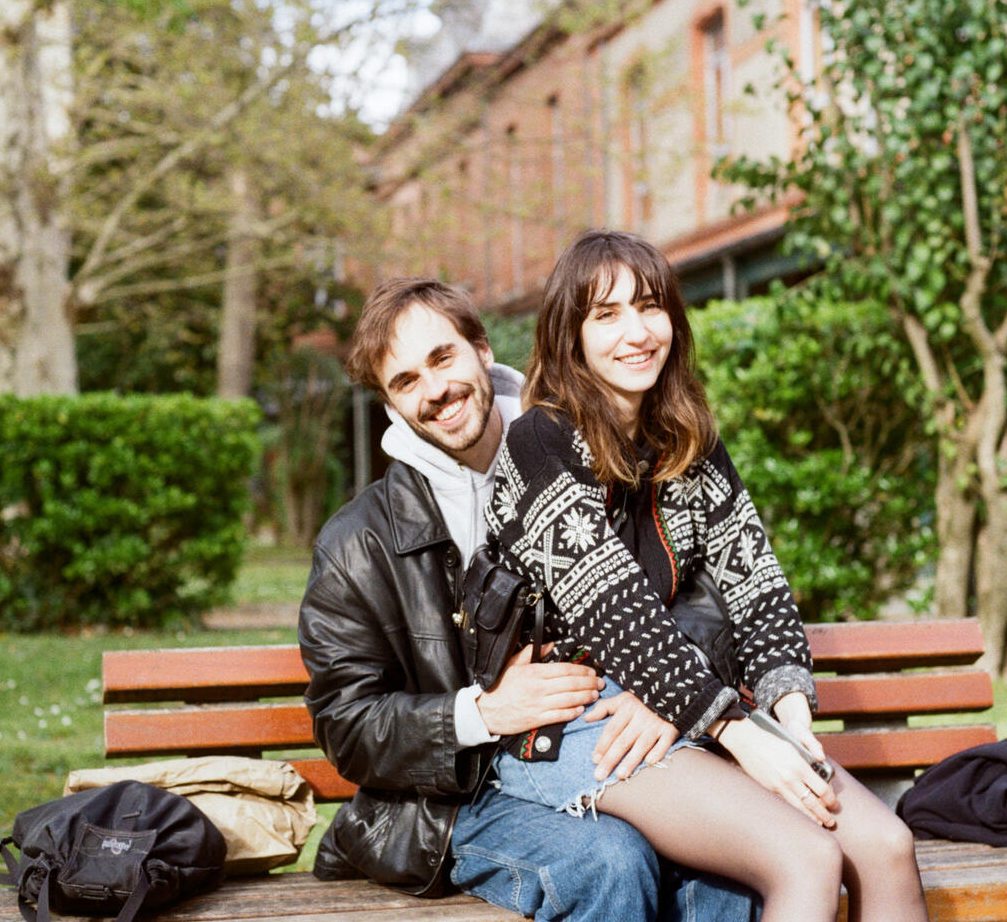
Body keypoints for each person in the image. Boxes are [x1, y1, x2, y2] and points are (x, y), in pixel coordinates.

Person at [483, 229, 928, 922]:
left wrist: (791, 722)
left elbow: (757, 587)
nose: (637, 332)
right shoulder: (539, 442)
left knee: (886, 845)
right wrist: (736, 730)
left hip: (682, 699)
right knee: (804, 856)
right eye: (606, 315)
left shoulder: (688, 440)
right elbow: (616, 612)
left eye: (650, 307)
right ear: (569, 337)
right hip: (576, 721)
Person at [297, 276, 758, 922]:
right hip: (461, 799)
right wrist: (481, 712)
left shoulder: (594, 451)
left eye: (442, 358)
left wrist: (672, 689)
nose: (435, 391)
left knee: (721, 866)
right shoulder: (356, 543)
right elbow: (347, 726)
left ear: (482, 349)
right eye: (405, 382)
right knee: (609, 862)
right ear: (389, 404)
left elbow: (708, 591)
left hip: (608, 746)